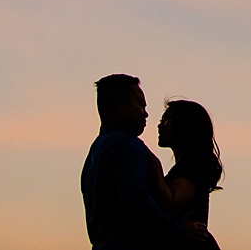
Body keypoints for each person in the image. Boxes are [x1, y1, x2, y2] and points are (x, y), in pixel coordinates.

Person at [81, 74, 206, 250]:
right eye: (141, 105)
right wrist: (179, 228)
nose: (146, 113)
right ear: (119, 105)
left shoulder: (95, 152)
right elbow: (137, 202)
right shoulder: (128, 146)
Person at [150, 100, 223, 244]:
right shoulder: (189, 167)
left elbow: (171, 204)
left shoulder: (192, 168)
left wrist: (154, 165)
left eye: (166, 120)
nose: (160, 125)